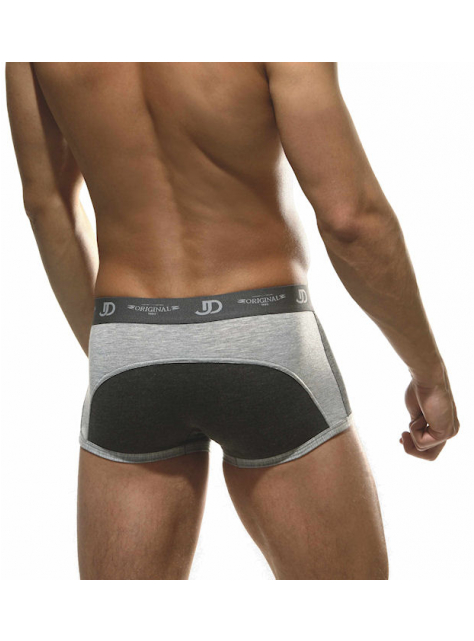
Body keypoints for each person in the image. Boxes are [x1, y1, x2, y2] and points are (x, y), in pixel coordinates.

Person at [6, 62, 459, 580]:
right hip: (266, 336)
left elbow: (46, 205)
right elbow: (350, 219)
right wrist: (429, 374)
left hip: (127, 344)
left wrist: (128, 353)